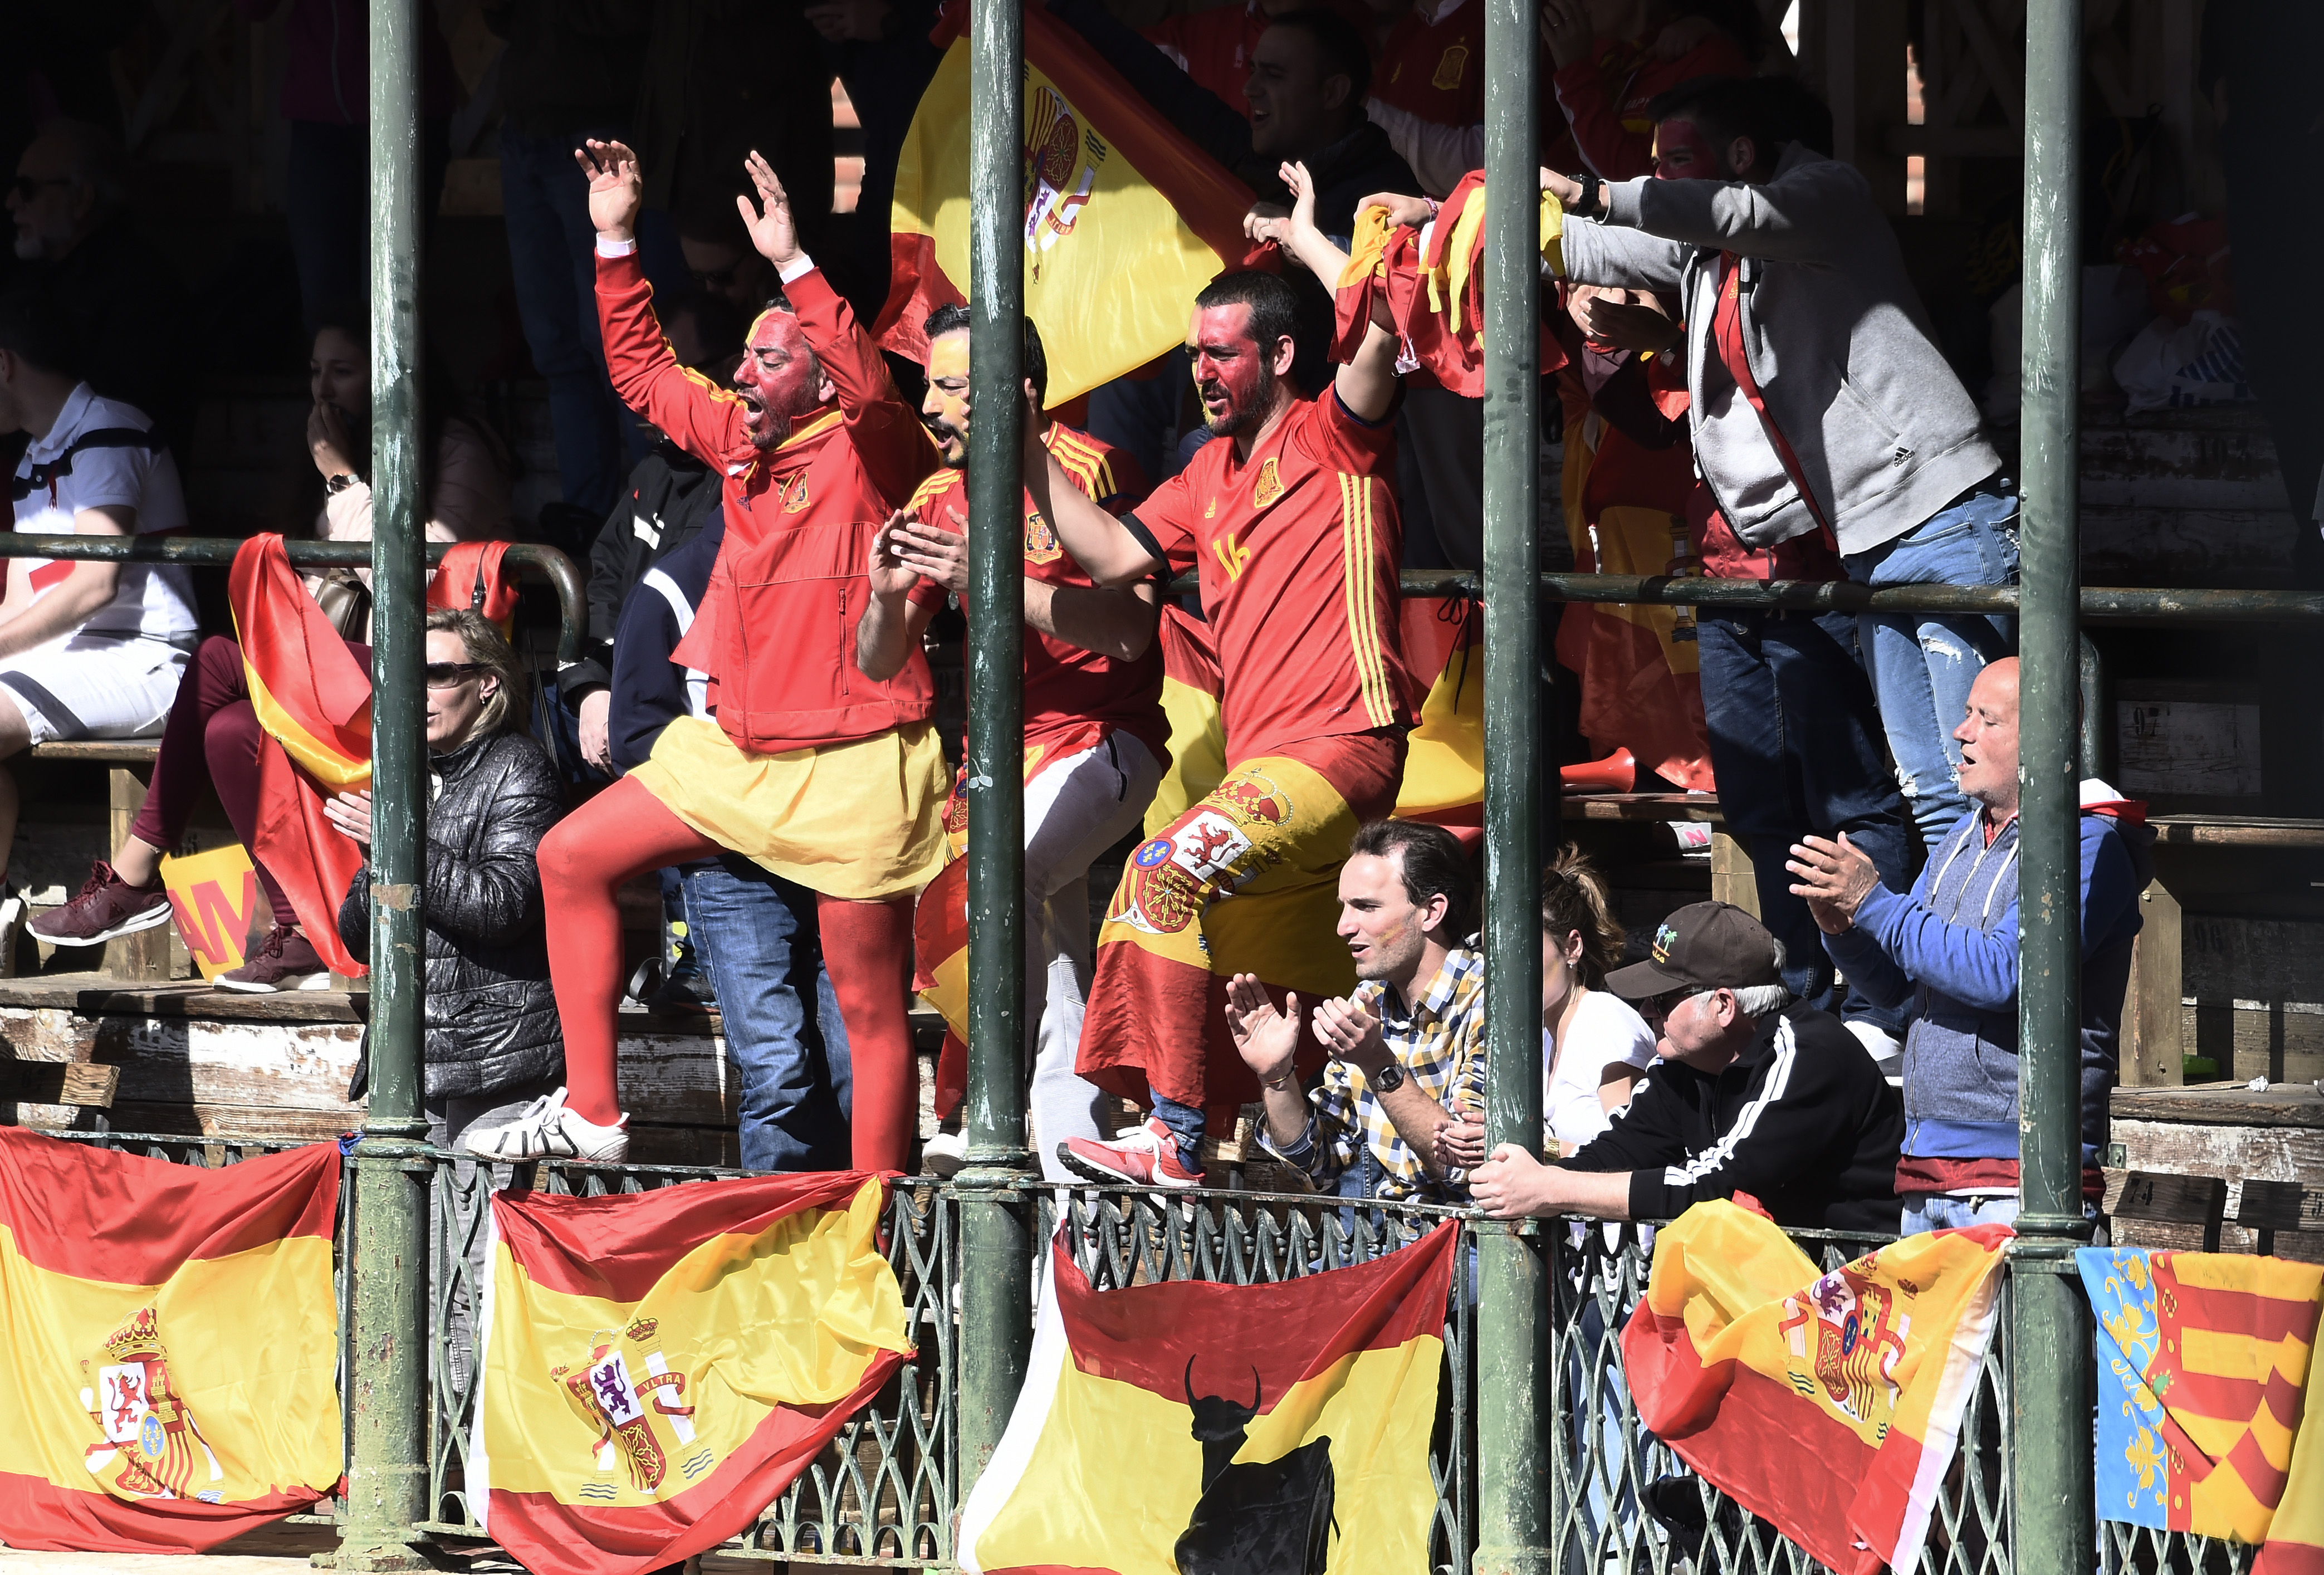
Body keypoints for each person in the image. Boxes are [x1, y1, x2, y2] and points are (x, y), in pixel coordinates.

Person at [461, 143, 943, 1169]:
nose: (744, 372)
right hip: (739, 751)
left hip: (856, 758)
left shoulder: (875, 449)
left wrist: (794, 267)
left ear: (816, 372)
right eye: (748, 359)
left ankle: (873, 1220)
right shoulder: (737, 442)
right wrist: (613, 236)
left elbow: (868, 383)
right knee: (569, 854)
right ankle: (593, 1111)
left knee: (866, 1012)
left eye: (770, 358)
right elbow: (640, 371)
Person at [1036, 185, 1413, 1189]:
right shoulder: (1204, 470)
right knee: (1221, 948)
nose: (1201, 372)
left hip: (1342, 747)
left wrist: (1302, 239)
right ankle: (1305, 1161)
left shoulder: (1336, 433)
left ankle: (1170, 1135)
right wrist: (1025, 455)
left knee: (1160, 871)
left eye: (1223, 354)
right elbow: (1115, 552)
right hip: (1274, 773)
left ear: (1282, 356)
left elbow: (1380, 323)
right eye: (1195, 353)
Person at [1545, 73, 2018, 854]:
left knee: (1988, 789)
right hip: (1869, 536)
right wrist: (1448, 220)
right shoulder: (1711, 253)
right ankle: (1942, 977)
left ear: (1739, 151)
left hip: (1945, 515)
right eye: (1653, 164)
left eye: (1676, 161)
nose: (1658, 179)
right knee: (1933, 794)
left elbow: (1727, 212)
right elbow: (1601, 244)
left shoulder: (1824, 195)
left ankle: (2005, 969)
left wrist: (1595, 194)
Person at [31, 317, 513, 989]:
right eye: (315, 371)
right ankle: (301, 929)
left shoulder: (455, 448)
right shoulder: (330, 452)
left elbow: (422, 596)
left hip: (427, 678)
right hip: (351, 675)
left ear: (394, 375)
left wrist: (342, 480)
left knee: (221, 659)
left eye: (342, 371)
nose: (323, 390)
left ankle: (136, 872)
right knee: (230, 726)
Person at [857, 304, 1166, 1182]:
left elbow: (1131, 633)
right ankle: (1075, 1190)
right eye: (928, 385)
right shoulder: (935, 496)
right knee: (1058, 972)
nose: (930, 404)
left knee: (1009, 880)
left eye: (950, 387)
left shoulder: (1091, 467)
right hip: (995, 770)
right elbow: (879, 662)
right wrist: (885, 598)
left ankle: (980, 1105)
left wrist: (990, 583)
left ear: (1018, 392)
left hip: (1106, 741)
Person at [1785, 657, 2151, 1234]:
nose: (1962, 732)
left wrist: (1876, 902)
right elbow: (1906, 994)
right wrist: (1845, 930)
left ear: (2044, 736)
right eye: (1965, 714)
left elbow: (2008, 972)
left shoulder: (2088, 847)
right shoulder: (1962, 835)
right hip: (1928, 1170)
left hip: (2019, 1183)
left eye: (1987, 719)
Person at [331, 608, 562, 1385]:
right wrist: (380, 859)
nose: (418, 690)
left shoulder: (520, 767)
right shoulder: (403, 771)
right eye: (409, 674)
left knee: (468, 1281)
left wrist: (402, 845)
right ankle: (406, 1460)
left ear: (486, 684)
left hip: (491, 1065)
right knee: (399, 1277)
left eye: (440, 673)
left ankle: (462, 1482)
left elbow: (504, 906)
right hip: (410, 1061)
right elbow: (358, 932)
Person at [1469, 900, 1906, 1235]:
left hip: (1856, 1307)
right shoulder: (1686, 1062)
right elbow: (1618, 1152)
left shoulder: (1808, 1056)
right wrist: (1525, 1180)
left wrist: (1550, 1189)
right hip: (1772, 1296)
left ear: (1722, 1005)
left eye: (1661, 1000)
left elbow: (1716, 1188)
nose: (1645, 1011)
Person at [0, 286, 194, 912]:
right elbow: (21, 601)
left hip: (149, 659)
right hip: (72, 656)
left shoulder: (108, 425)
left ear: (4, 364)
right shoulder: (36, 453)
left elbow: (96, 581)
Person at [477, 0, 663, 520]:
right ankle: (589, 511)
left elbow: (635, 18)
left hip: (589, 128)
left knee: (611, 338)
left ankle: (655, 511)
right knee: (554, 346)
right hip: (527, 126)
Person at [1236, 820, 1484, 1205]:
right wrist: (1276, 1077)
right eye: (1345, 907)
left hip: (1466, 1247)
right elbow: (1319, 1162)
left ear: (1431, 912)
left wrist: (1378, 1065)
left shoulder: (1488, 1001)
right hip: (1378, 1236)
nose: (1343, 927)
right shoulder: (1369, 998)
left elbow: (1463, 1168)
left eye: (1365, 907)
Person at [562, 292, 747, 773]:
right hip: (622, 694)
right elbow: (605, 580)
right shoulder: (655, 471)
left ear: (732, 372)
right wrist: (591, 690)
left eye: (676, 379)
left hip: (700, 719)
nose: (648, 405)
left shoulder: (752, 480)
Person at [229, 0, 458, 334]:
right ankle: (336, 382)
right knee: (323, 304)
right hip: (320, 115)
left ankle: (395, 387)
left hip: (406, 104)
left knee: (392, 297)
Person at [6, 120, 189, 444]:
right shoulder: (33, 279)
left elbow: (111, 411)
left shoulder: (143, 286)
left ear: (80, 200)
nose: (12, 202)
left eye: (28, 188)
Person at [1535, 846, 1655, 1151]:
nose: (1506, 969)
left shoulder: (1607, 1024)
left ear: (1572, 948)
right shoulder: (1540, 1034)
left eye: (1525, 951)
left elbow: (1631, 1155)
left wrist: (1538, 1147)